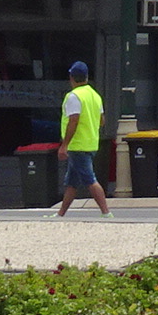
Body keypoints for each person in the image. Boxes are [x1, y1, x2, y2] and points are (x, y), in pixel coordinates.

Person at [55, 61, 110, 217]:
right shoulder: (95, 96)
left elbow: (74, 120)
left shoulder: (74, 96)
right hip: (91, 143)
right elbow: (102, 121)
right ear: (86, 77)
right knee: (71, 182)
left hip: (78, 145)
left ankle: (106, 212)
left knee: (90, 180)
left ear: (71, 78)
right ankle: (61, 214)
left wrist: (64, 145)